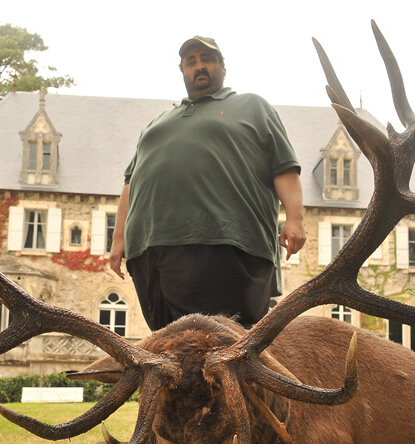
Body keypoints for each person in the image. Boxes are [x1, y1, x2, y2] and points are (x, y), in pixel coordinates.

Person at [109, 36, 305, 330]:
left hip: (224, 242)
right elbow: (131, 182)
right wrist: (119, 238)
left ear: (222, 66)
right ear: (183, 70)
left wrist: (295, 218)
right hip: (149, 250)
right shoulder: (157, 122)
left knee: (219, 345)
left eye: (207, 59)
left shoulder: (252, 106)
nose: (199, 66)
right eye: (191, 61)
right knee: (169, 350)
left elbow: (284, 167)